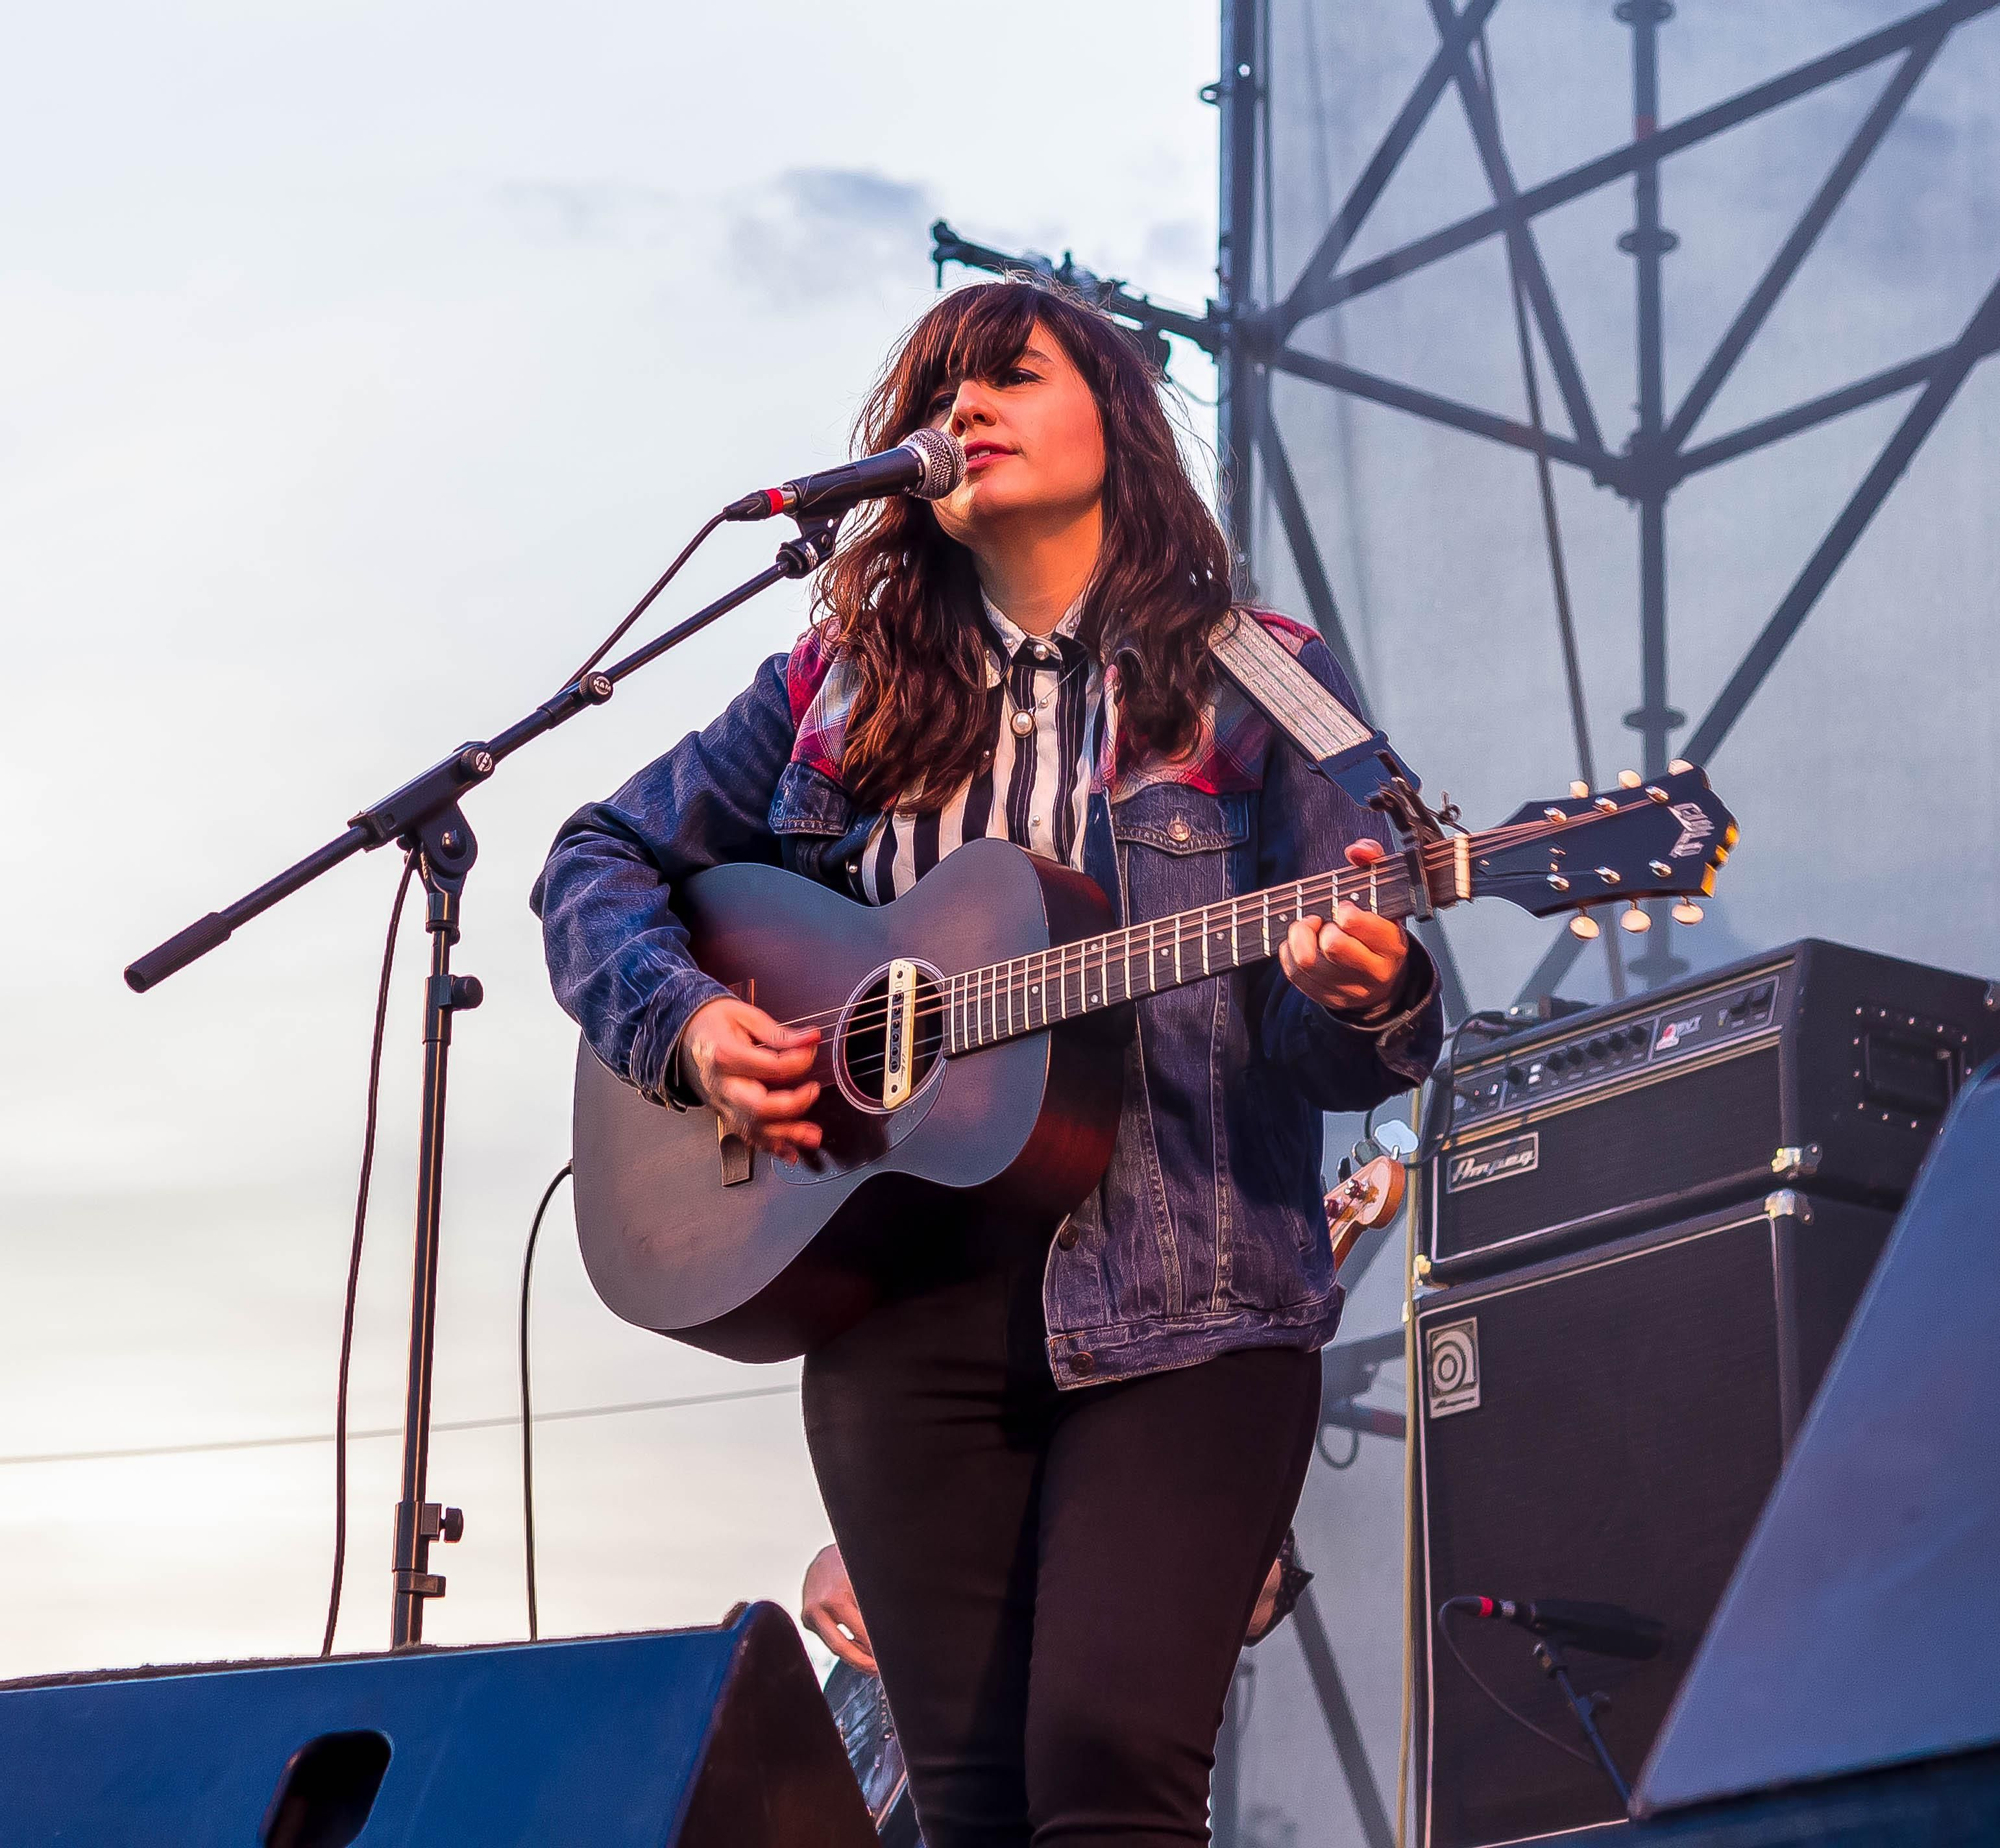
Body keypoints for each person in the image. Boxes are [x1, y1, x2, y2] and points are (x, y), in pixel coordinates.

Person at [534, 280, 1441, 1847]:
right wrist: (683, 1030)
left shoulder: (1259, 669)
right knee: (965, 1807)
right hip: (897, 1310)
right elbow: (596, 858)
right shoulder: (836, 683)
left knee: (1104, 1779)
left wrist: (1365, 989)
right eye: (938, 397)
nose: (965, 414)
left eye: (1009, 378)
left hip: (1188, 1300)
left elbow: (1336, 1027)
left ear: (1119, 419)